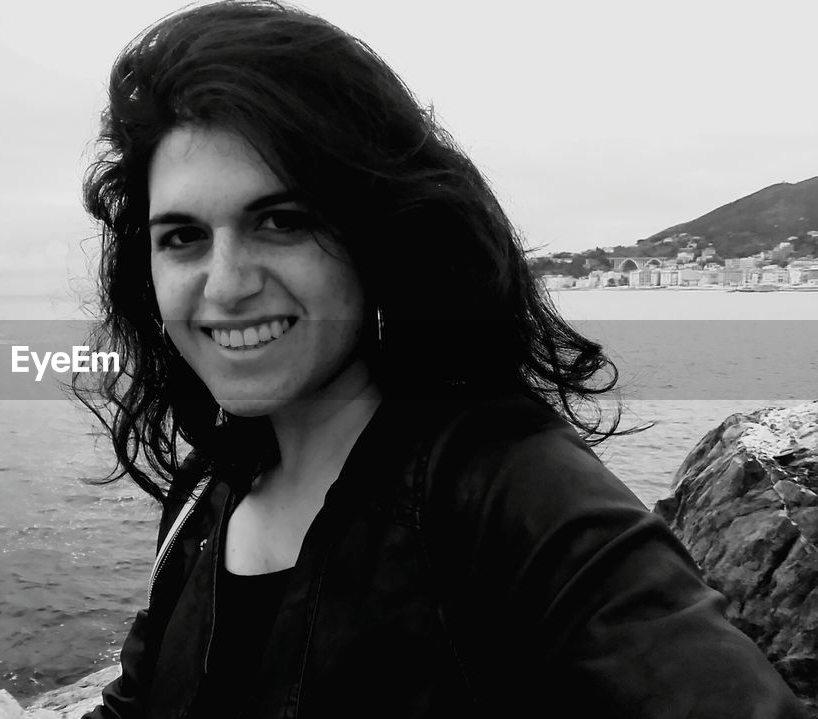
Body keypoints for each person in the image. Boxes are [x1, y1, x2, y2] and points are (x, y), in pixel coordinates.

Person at [71, 2, 808, 717]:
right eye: (182, 236)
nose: (226, 285)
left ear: (377, 234)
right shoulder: (205, 495)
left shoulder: (509, 491)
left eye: (282, 221)